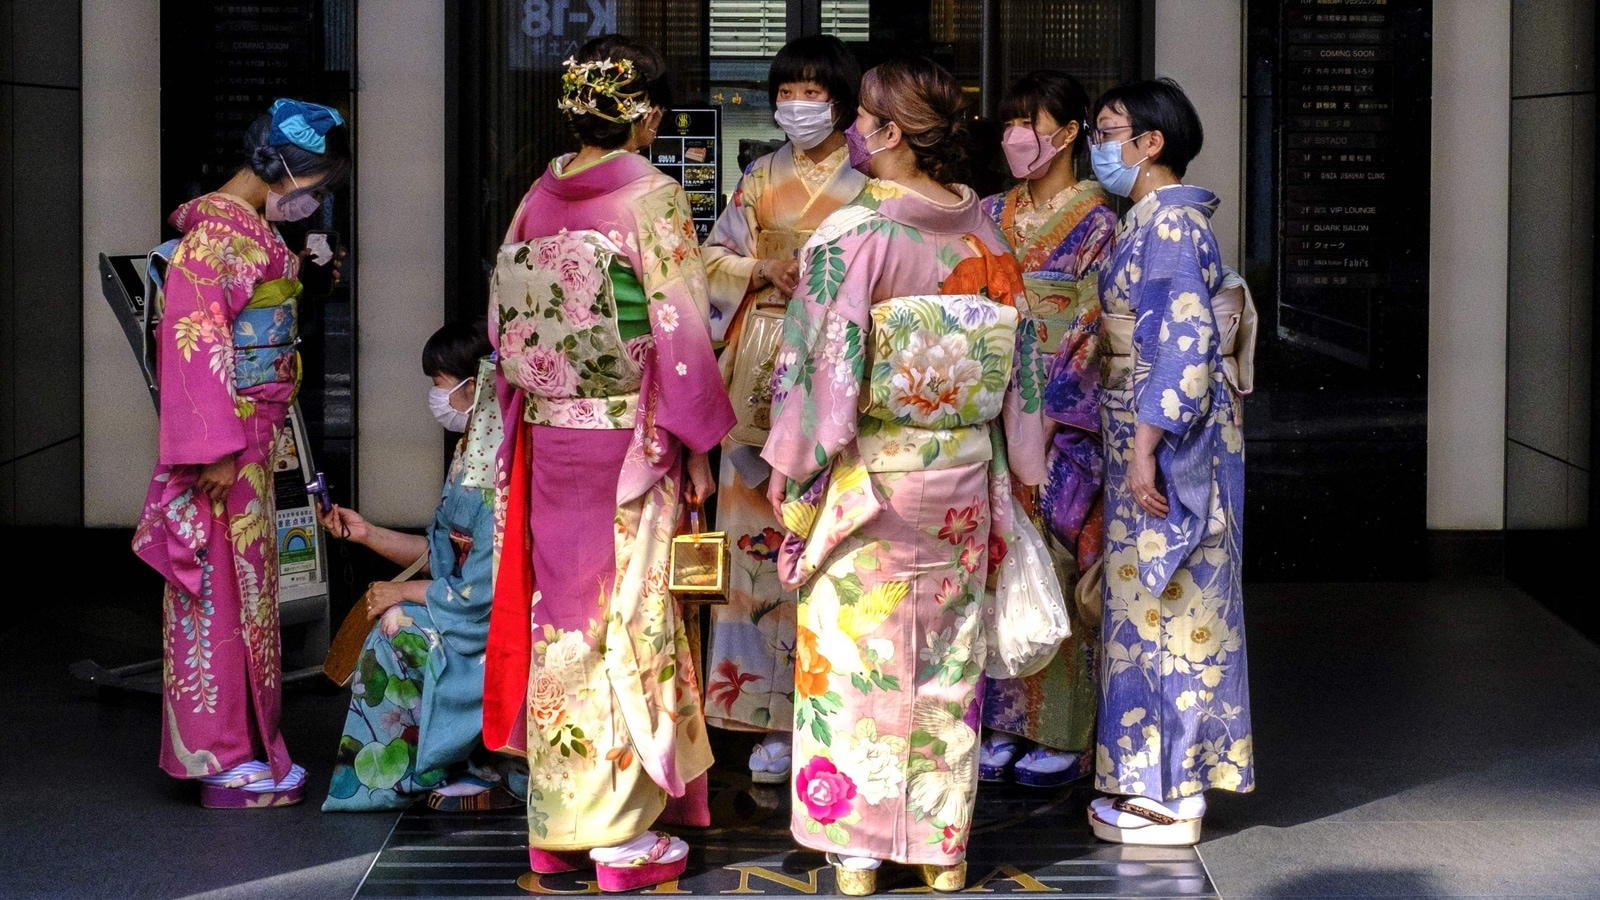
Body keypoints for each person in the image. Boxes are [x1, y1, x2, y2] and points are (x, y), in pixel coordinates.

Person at [760, 57, 1047, 894]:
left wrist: (794, 468)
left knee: (858, 655)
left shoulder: (855, 234)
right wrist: (1023, 463)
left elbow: (819, 371)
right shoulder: (983, 232)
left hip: (871, 473)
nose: (848, 128)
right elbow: (1020, 370)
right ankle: (941, 845)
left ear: (887, 134)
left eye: (860, 118)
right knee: (945, 657)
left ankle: (857, 848)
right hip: (959, 476)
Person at [480, 35, 735, 892]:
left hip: (553, 436)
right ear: (649, 115)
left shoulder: (538, 193)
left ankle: (559, 824)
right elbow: (681, 328)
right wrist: (697, 442)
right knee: (633, 617)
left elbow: (501, 325)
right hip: (630, 440)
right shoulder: (650, 194)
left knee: (565, 618)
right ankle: (621, 835)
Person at [131, 97, 350, 809]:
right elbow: (194, 346)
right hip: (227, 443)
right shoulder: (214, 240)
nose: (314, 201)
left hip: (250, 437)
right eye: (315, 185)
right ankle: (218, 757)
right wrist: (214, 450)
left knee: (248, 592)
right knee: (216, 591)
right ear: (283, 168)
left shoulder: (239, 232)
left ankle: (246, 743)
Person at [1083, 78, 1254, 846]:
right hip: (1148, 432)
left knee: (1172, 604)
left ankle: (1174, 792)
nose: (1101, 143)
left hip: (1166, 441)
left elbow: (1186, 346)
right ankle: (1156, 781)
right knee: (1157, 605)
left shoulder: (1172, 228)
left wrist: (1148, 449)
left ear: (1151, 144)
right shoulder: (1152, 223)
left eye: (1111, 130)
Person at [699, 34, 868, 786]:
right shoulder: (757, 177)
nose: (797, 103)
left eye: (812, 90)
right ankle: (757, 715)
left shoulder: (870, 180)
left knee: (828, 530)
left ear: (841, 97)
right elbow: (706, 259)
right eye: (786, 91)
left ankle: (825, 707)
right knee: (749, 535)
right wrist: (757, 266)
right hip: (760, 360)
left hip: (836, 362)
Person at [977, 70, 1118, 789]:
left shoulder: (1100, 220)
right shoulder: (990, 209)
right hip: (993, 405)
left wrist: (1053, 390)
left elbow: (1100, 321)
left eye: (1029, 124)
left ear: (1068, 133)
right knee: (996, 560)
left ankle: (1061, 726)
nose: (1014, 137)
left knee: (1060, 560)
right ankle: (1000, 718)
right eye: (1007, 124)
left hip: (1060, 418)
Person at [319, 320, 524, 812]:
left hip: (486, 617)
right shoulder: (467, 456)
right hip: (460, 606)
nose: (435, 398)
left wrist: (402, 593)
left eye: (439, 385)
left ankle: (429, 766)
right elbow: (441, 553)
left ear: (472, 386)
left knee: (398, 628)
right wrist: (367, 533)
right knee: (393, 622)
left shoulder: (500, 469)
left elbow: (481, 588)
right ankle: (422, 765)